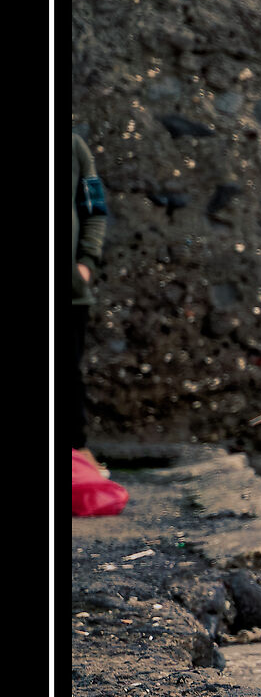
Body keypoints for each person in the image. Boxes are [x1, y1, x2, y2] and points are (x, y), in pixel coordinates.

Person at [65, 128, 107, 464]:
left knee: (66, 374)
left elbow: (95, 209)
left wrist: (86, 263)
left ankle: (76, 455)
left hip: (68, 293)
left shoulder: (74, 146)